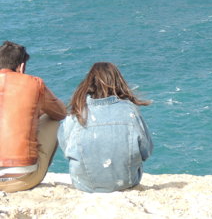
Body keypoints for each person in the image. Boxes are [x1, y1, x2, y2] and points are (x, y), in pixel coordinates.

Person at [58, 62, 153, 193]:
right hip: (127, 182)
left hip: (85, 184)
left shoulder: (78, 112)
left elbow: (66, 147)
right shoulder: (130, 111)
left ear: (89, 83)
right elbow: (146, 151)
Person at [0, 41, 67, 192]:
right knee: (52, 120)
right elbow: (61, 112)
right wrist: (35, 112)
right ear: (21, 66)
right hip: (21, 179)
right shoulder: (34, 83)